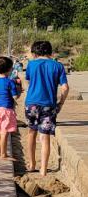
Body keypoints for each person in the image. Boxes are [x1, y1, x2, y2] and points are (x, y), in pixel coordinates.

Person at [24, 40, 70, 176]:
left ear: (35, 52)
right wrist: (60, 103)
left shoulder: (31, 65)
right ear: (50, 51)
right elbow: (65, 88)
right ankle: (43, 169)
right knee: (45, 137)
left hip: (31, 103)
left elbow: (28, 81)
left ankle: (32, 164)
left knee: (31, 133)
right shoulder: (58, 66)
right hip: (49, 105)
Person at [0, 56, 20, 161]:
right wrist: (18, 90)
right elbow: (15, 97)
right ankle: (3, 154)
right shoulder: (10, 82)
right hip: (7, 109)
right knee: (5, 131)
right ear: (10, 69)